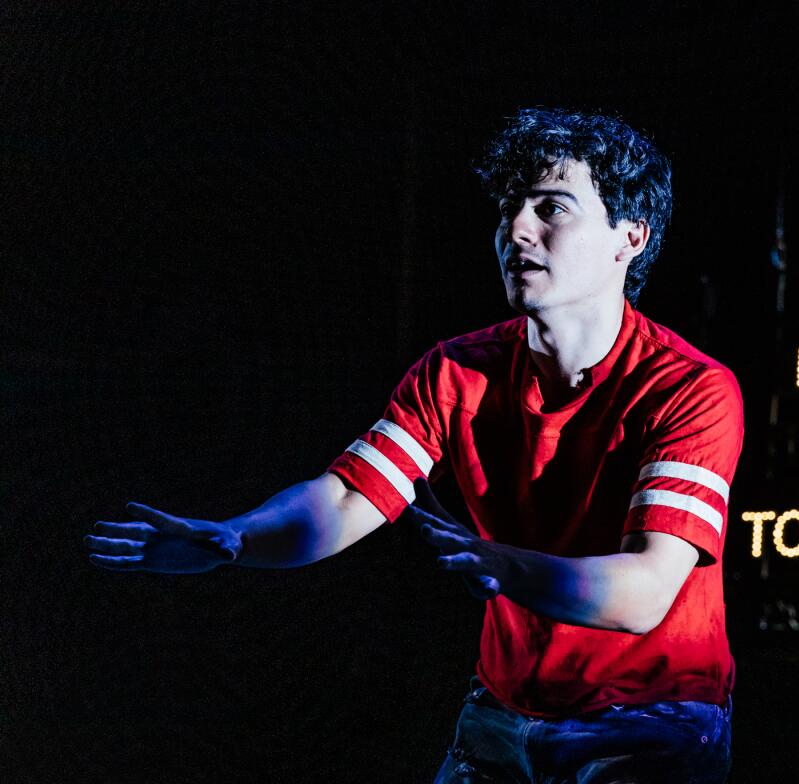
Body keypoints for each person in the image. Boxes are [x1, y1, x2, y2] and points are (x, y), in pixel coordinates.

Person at [86, 108, 743, 783]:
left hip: (653, 717)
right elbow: (345, 498)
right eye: (511, 209)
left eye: (551, 208)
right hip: (506, 710)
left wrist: (508, 566)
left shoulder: (689, 388)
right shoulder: (456, 370)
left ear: (629, 236)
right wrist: (236, 538)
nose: (517, 228)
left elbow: (643, 593)